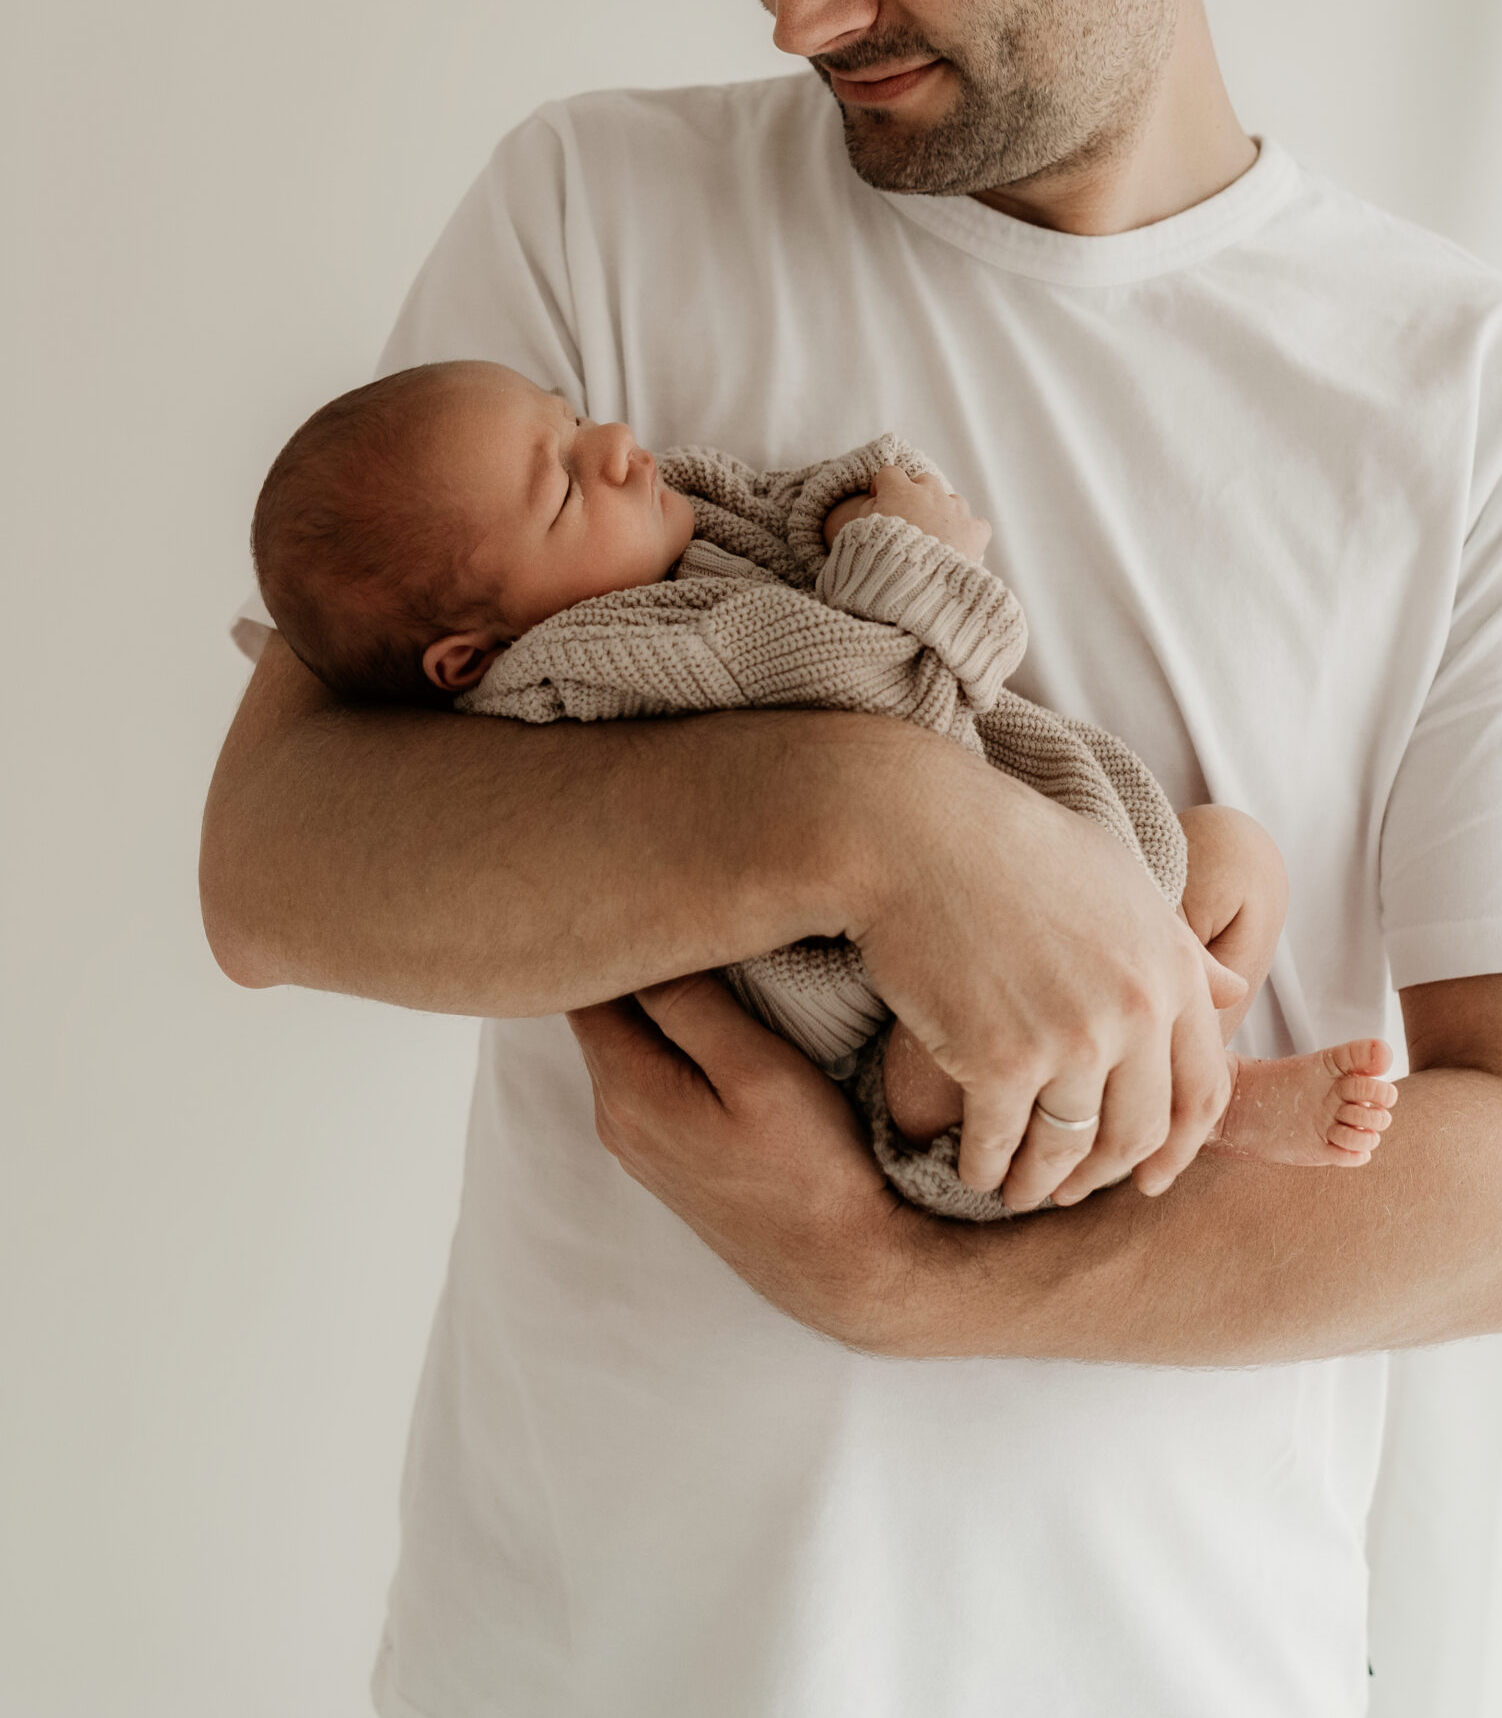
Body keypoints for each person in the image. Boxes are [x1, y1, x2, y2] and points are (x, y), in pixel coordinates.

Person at [200, 0, 1502, 1718]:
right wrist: (865, 812)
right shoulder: (592, 221)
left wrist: (904, 1273)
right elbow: (274, 873)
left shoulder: (1478, 403)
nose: (794, 6)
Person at [245, 354, 1399, 1212]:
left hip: (1058, 864)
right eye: (561, 489)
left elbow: (773, 510)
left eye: (574, 415)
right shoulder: (596, 670)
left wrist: (854, 506)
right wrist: (913, 560)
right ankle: (1219, 1101)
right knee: (936, 1077)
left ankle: (1172, 1018)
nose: (618, 444)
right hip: (884, 1015)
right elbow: (870, 707)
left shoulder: (648, 537)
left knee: (1234, 856)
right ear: (471, 660)